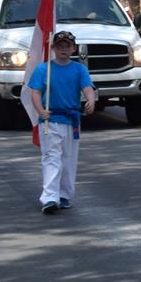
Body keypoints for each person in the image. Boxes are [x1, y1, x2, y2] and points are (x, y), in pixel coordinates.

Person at [27, 31, 95, 214]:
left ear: (73, 49)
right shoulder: (44, 69)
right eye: (60, 46)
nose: (63, 49)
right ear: (54, 48)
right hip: (50, 120)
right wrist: (40, 110)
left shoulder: (79, 69)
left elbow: (87, 87)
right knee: (52, 157)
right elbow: (35, 92)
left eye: (67, 46)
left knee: (68, 159)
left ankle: (64, 195)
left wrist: (91, 99)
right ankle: (49, 197)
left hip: (71, 121)